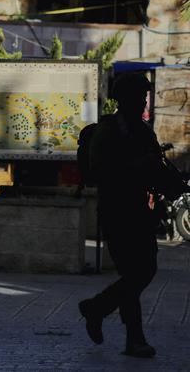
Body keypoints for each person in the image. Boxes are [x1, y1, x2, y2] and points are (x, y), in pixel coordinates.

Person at [78, 73, 162, 358]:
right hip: (117, 212)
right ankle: (133, 338)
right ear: (123, 99)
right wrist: (137, 165)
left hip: (140, 212)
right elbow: (100, 170)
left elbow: (156, 167)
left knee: (142, 271)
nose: (143, 101)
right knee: (135, 273)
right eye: (139, 96)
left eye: (144, 96)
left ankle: (97, 308)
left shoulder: (143, 130)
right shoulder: (108, 131)